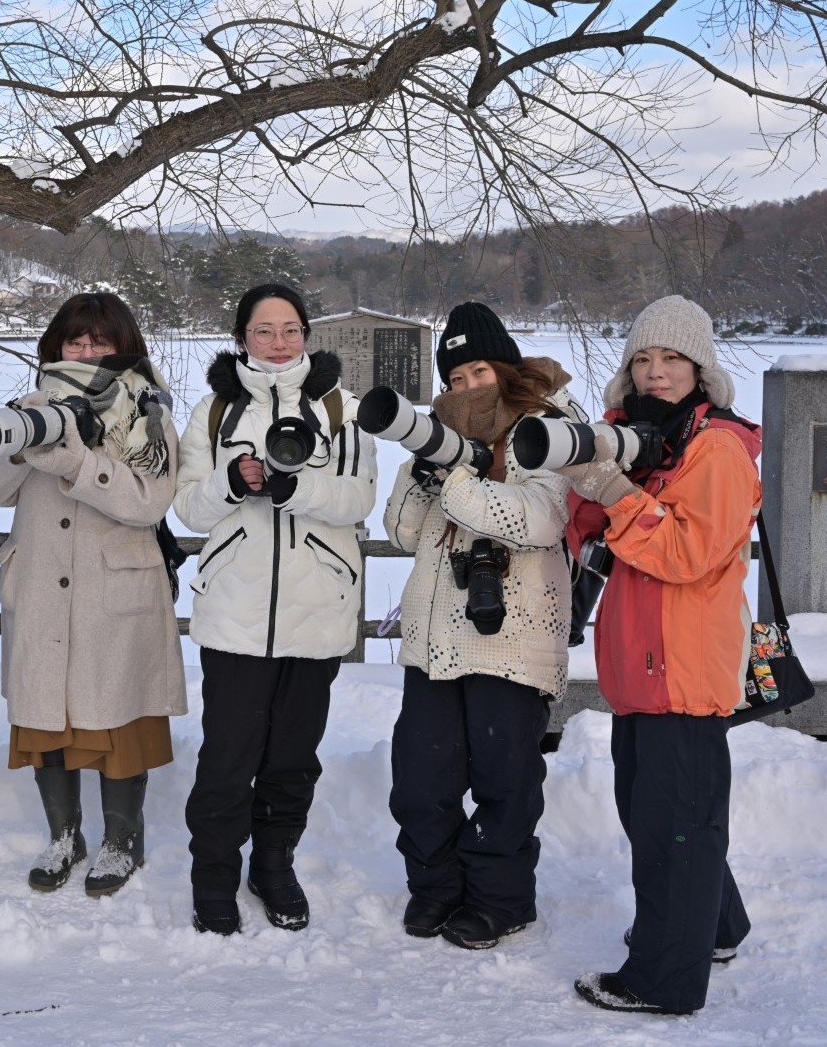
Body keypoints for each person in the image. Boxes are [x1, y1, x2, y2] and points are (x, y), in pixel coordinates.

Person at [562, 296, 758, 1015]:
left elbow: (686, 552)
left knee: (674, 825)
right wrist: (588, 471)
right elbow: (588, 530)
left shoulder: (717, 449)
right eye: (643, 359)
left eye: (672, 358)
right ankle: (714, 928)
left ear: (700, 367)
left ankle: (661, 980)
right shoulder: (644, 439)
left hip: (683, 667)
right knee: (661, 814)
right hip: (642, 667)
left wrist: (616, 492)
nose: (655, 371)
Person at [173, 283, 377, 935]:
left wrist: (298, 487)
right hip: (234, 612)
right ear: (242, 338)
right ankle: (213, 878)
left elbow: (358, 500)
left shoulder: (340, 410)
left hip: (317, 611)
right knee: (227, 758)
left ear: (307, 335)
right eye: (264, 331)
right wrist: (233, 481)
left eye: (290, 329)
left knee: (292, 757)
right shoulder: (213, 413)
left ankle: (274, 864)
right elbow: (188, 508)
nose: (279, 342)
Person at [0, 291, 186, 897]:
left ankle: (122, 840)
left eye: (99, 341)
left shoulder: (148, 414)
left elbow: (149, 500)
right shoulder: (29, 404)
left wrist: (73, 459)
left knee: (118, 719)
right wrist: (30, 433)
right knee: (47, 719)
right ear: (55, 346)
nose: (86, 351)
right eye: (75, 341)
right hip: (41, 586)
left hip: (113, 591)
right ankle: (64, 835)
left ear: (124, 347)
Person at [382, 301, 579, 949]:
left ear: (505, 366)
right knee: (420, 780)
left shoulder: (544, 427)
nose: (469, 387)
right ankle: (435, 889)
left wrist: (459, 481)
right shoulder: (438, 434)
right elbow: (406, 530)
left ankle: (499, 902)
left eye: (479, 370)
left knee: (505, 780)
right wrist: (428, 469)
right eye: (456, 377)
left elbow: (541, 519)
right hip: (437, 637)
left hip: (513, 637)